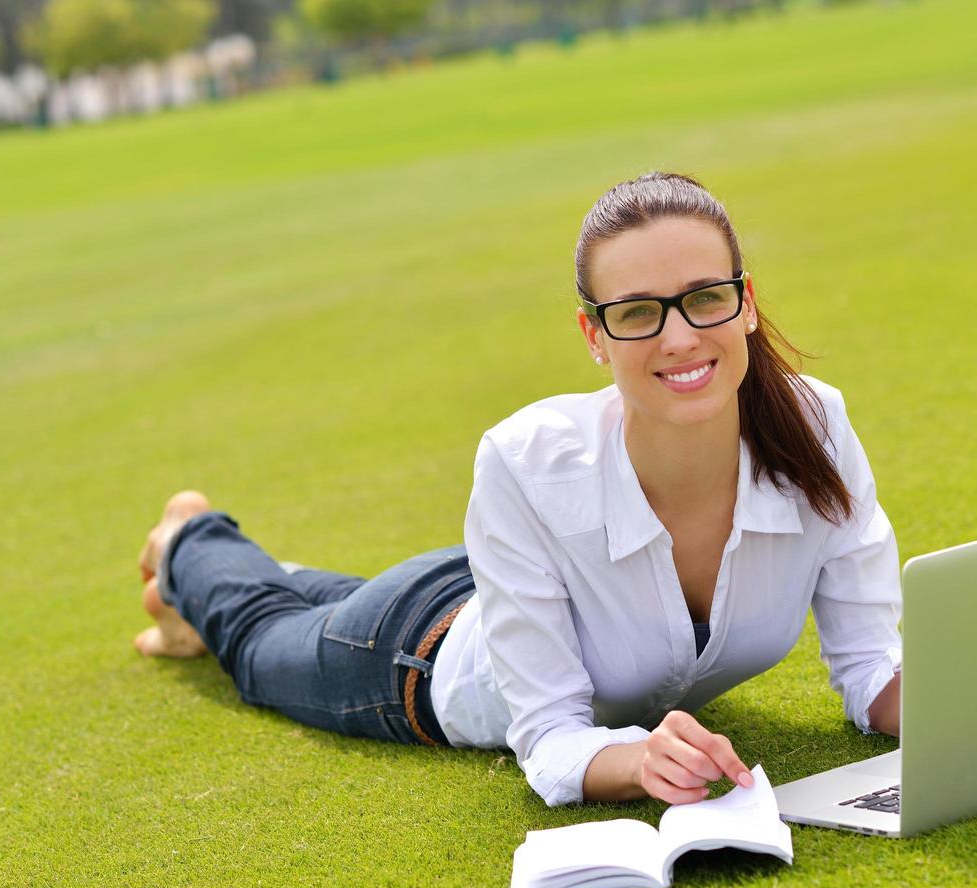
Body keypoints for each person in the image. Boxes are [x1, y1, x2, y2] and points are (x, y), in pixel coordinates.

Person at [134, 171, 903, 808]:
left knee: (310, 603)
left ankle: (222, 595)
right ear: (593, 337)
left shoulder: (816, 428)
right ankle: (188, 543)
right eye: (636, 312)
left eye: (704, 297)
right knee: (262, 638)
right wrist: (638, 762)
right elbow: (550, 738)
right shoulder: (524, 461)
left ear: (745, 300)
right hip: (418, 654)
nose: (678, 337)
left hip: (503, 594)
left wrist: (945, 700)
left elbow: (871, 666)